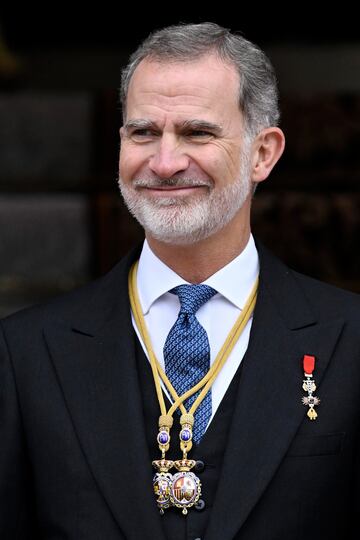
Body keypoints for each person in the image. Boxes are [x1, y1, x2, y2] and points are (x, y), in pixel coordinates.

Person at [0, 22, 359, 540]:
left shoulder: (350, 339)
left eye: (197, 132)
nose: (165, 163)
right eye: (143, 132)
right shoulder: (25, 352)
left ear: (263, 153)